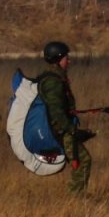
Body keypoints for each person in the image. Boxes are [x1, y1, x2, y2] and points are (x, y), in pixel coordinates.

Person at [37, 40, 93, 195]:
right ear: (58, 59)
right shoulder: (53, 81)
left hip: (62, 129)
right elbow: (56, 112)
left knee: (82, 161)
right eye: (66, 58)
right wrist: (73, 131)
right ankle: (73, 199)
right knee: (83, 162)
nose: (69, 61)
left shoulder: (55, 77)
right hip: (60, 131)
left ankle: (75, 198)